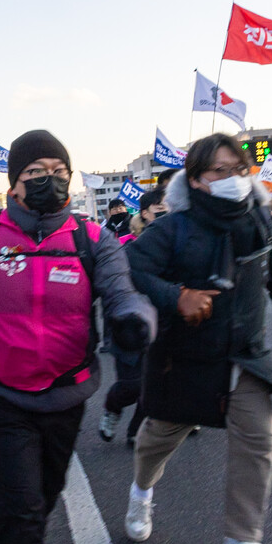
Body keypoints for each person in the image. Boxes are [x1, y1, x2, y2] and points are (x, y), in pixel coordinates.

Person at [0, 129, 156, 544]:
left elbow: (122, 291)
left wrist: (135, 320)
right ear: (13, 183)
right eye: (36, 171)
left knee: (43, 497)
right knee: (20, 509)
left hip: (66, 395)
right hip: (3, 396)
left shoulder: (92, 239)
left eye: (59, 171)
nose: (49, 179)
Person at [122, 133, 272, 544]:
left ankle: (242, 539)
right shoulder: (172, 228)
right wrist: (176, 295)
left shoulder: (259, 217)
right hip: (186, 357)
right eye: (219, 171)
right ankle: (141, 494)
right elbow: (130, 270)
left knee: (260, 440)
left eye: (238, 170)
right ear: (197, 180)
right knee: (159, 437)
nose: (233, 178)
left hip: (246, 353)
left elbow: (271, 259)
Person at [100, 188, 167, 446]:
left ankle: (135, 432)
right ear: (145, 213)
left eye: (167, 207)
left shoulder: (177, 241)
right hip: (130, 324)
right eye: (158, 208)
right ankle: (112, 407)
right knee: (132, 385)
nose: (163, 212)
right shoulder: (126, 243)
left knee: (154, 384)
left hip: (163, 324)